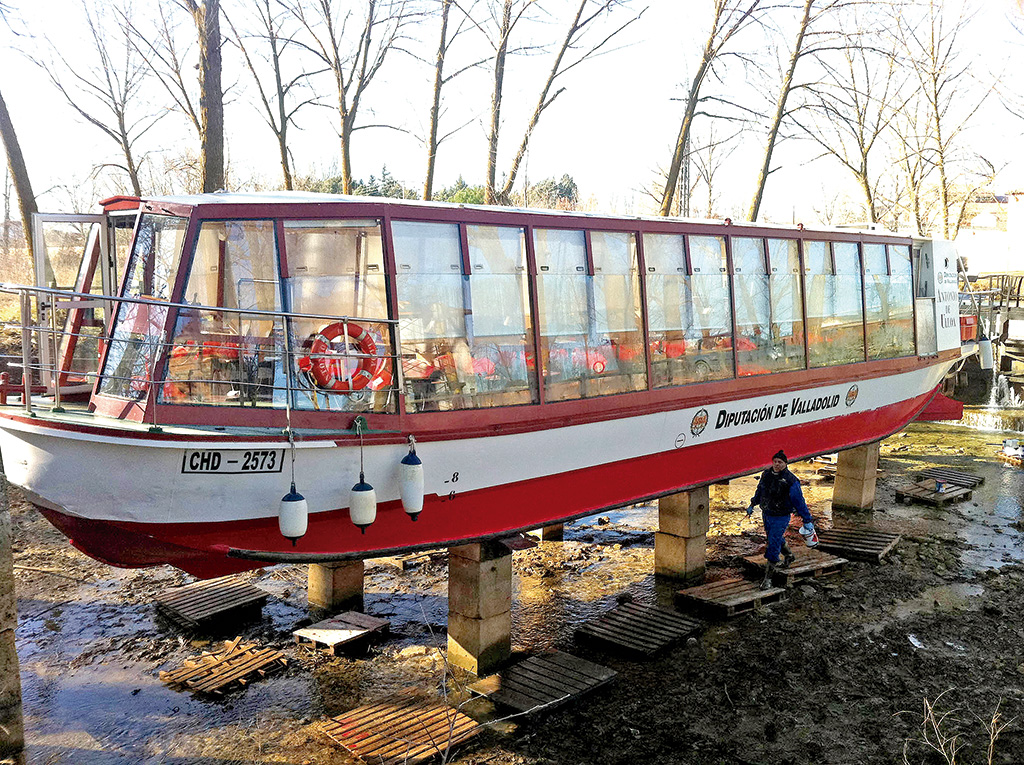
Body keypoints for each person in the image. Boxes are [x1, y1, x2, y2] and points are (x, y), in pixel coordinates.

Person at [746, 449, 816, 590]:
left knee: (773, 544)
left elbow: (799, 501)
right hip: (767, 513)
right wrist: (752, 504)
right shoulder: (766, 474)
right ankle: (789, 555)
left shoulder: (791, 481)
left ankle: (768, 579)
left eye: (780, 462)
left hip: (781, 516)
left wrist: (807, 519)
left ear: (785, 464)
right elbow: (760, 490)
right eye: (775, 461)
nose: (777, 464)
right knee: (774, 538)